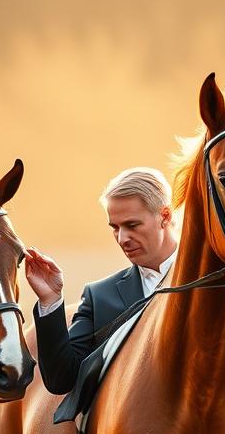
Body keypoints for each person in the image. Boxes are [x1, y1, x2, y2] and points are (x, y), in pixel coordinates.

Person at [25, 167, 178, 395]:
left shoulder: (220, 283)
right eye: (114, 228)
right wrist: (51, 300)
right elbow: (61, 380)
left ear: (165, 216)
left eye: (132, 225)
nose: (122, 238)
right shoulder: (99, 298)